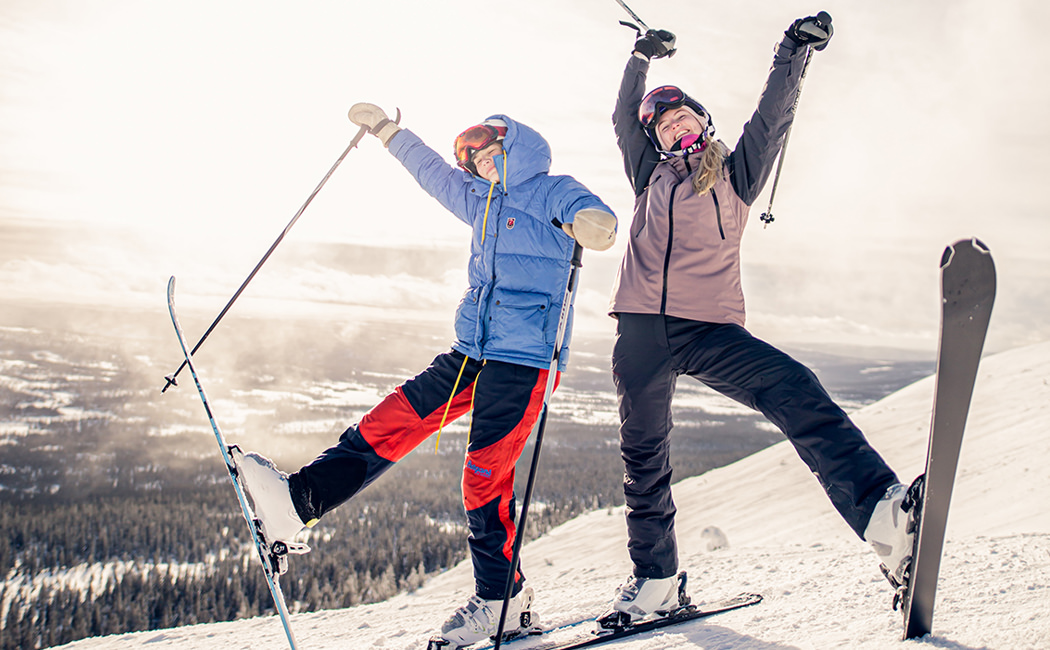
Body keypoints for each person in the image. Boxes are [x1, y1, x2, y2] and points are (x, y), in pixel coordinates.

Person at [233, 105, 617, 647]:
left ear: (515, 147)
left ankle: (501, 599)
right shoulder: (478, 201)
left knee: (484, 476)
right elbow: (432, 172)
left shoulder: (552, 189)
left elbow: (591, 215)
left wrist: (592, 224)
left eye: (490, 152)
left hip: (527, 359)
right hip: (472, 349)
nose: (482, 164)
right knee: (393, 419)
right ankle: (299, 502)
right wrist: (390, 132)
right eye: (475, 159)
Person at [600, 14, 917, 625]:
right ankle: (656, 581)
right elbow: (622, 120)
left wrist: (793, 49)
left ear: (702, 120)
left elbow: (771, 116)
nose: (673, 124)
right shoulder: (648, 175)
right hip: (640, 328)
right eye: (662, 123)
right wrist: (640, 59)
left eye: (682, 114)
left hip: (710, 328)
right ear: (657, 140)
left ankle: (885, 516)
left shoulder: (738, 176)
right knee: (644, 456)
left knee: (794, 386)